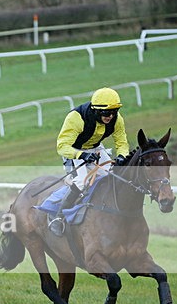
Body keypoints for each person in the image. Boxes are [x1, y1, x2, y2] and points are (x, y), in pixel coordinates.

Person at [49, 87, 130, 236]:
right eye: (106, 113)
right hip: (74, 150)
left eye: (114, 112)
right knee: (83, 181)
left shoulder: (117, 119)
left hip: (96, 147)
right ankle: (58, 217)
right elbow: (62, 146)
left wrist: (122, 156)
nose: (110, 116)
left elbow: (121, 142)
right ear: (96, 110)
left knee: (113, 176)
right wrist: (82, 155)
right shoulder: (76, 117)